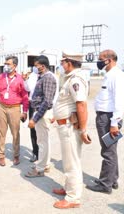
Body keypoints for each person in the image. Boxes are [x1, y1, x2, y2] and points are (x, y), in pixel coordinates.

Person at [52, 52, 91, 209]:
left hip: (70, 126)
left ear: (69, 63)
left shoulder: (76, 80)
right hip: (65, 124)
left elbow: (81, 105)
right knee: (68, 161)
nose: (61, 65)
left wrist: (83, 130)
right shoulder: (69, 78)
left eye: (63, 62)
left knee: (72, 162)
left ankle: (73, 197)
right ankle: (69, 188)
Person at [86, 50, 124, 194]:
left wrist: (115, 123)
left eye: (101, 59)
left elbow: (120, 101)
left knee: (108, 152)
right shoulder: (110, 74)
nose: (99, 61)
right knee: (111, 151)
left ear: (109, 60)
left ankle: (105, 184)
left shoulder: (116, 75)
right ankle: (111, 179)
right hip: (106, 117)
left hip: (108, 119)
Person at [0, 56, 29, 167]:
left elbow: (25, 96)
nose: (6, 66)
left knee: (15, 133)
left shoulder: (20, 79)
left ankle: (16, 155)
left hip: (15, 108)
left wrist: (25, 111)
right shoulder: (1, 77)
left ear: (15, 66)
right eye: (5, 63)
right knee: (1, 132)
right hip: (2, 107)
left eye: (8, 64)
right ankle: (1, 156)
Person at [25, 55, 57, 178]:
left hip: (42, 113)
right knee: (44, 141)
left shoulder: (48, 78)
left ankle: (40, 169)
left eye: (36, 65)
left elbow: (47, 101)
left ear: (42, 66)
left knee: (42, 142)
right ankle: (45, 164)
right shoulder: (42, 77)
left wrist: (35, 118)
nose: (35, 67)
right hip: (40, 112)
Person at [23, 66, 39, 162]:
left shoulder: (49, 76)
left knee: (42, 131)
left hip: (43, 105)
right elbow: (28, 88)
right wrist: (25, 80)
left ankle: (43, 155)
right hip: (33, 105)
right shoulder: (32, 76)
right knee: (33, 130)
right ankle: (35, 153)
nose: (36, 67)